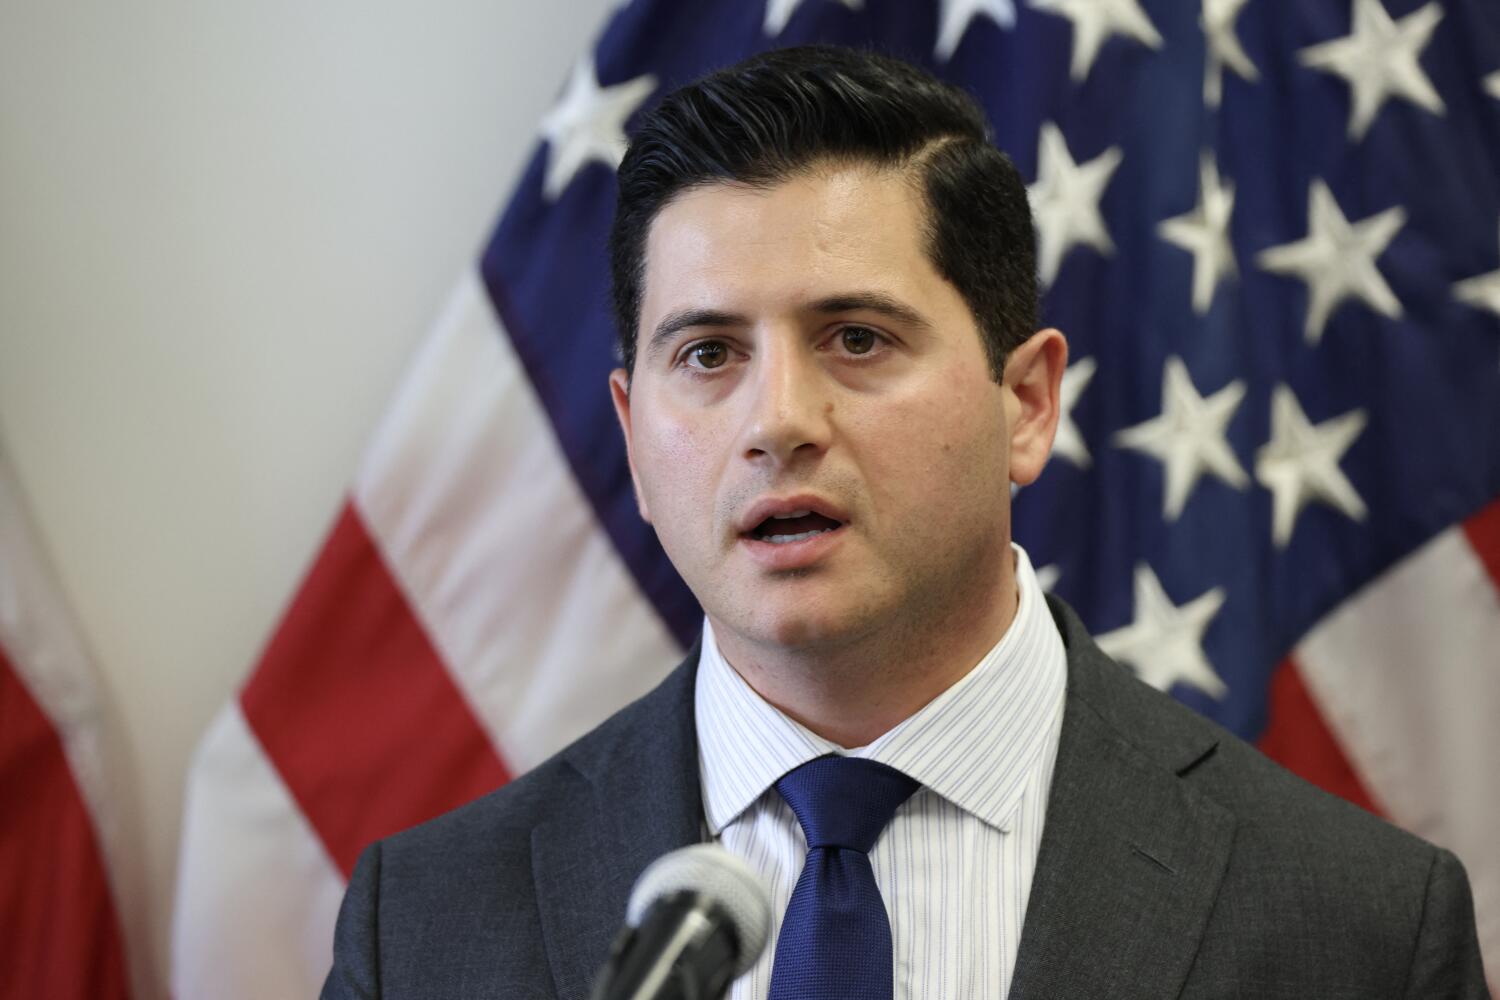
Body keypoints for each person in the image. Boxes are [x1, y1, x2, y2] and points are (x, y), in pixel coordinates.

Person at [321, 46, 1488, 999]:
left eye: (858, 338)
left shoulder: (1362, 927)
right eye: (709, 353)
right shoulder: (425, 928)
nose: (777, 421)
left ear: (1025, 403)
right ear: (631, 432)